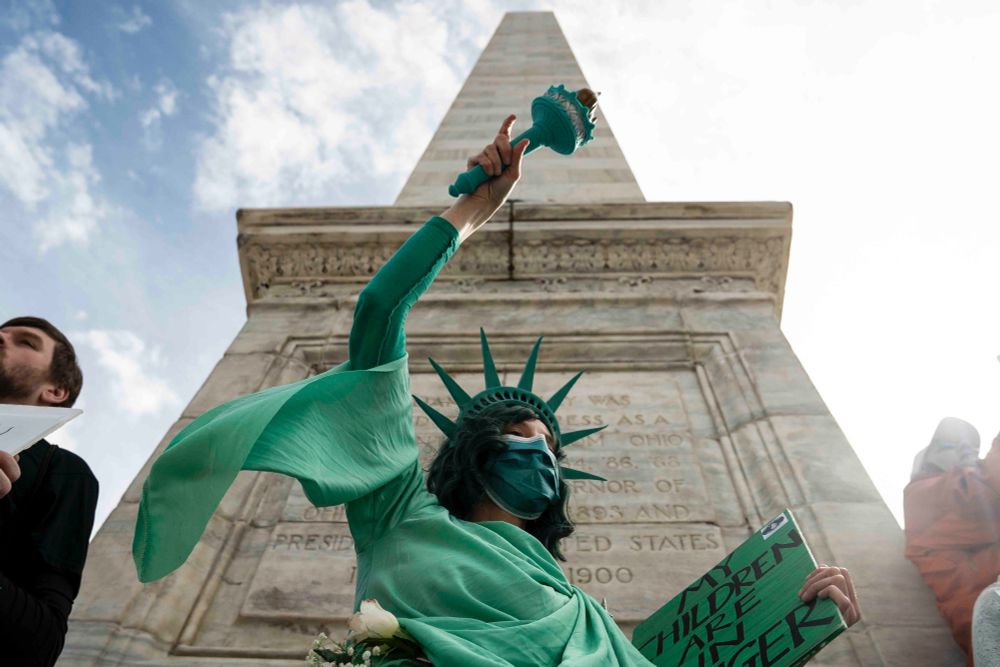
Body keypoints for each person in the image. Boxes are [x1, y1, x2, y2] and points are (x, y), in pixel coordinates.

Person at [134, 116, 860, 664]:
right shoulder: (397, 513)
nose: (543, 452)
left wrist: (784, 619)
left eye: (550, 443)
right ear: (475, 450)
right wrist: (473, 211)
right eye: (523, 435)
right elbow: (378, 310)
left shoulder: (587, 615)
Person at [0, 316, 98, 666]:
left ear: (55, 391)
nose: (1, 338)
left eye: (25, 342)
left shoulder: (64, 473)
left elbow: (40, 644)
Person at [905, 418, 1000, 664]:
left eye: (972, 449)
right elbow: (976, 499)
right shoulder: (922, 494)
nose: (967, 453)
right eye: (951, 445)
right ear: (930, 458)